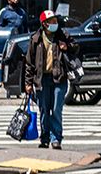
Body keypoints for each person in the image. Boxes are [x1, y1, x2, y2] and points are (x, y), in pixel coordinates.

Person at [24, 9, 73, 151]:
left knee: (56, 109)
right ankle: (45, 138)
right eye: (52, 21)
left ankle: (56, 138)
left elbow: (76, 47)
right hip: (42, 79)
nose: (55, 24)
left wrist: (67, 46)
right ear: (44, 24)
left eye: (56, 21)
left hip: (59, 77)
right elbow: (29, 62)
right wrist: (28, 83)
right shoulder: (36, 39)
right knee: (44, 109)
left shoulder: (62, 35)